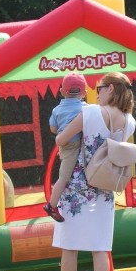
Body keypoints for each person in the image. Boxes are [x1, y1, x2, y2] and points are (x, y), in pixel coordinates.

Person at [53, 72, 136, 271]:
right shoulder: (129, 121)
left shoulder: (89, 113)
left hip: (76, 189)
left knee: (69, 249)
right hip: (104, 189)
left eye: (99, 88)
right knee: (101, 249)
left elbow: (60, 138)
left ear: (110, 89)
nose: (96, 92)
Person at [43, 73, 87, 222]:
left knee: (65, 170)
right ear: (85, 93)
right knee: (64, 177)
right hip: (74, 145)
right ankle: (51, 205)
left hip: (66, 145)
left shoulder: (56, 110)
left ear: (62, 92)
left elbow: (53, 129)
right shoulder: (86, 108)